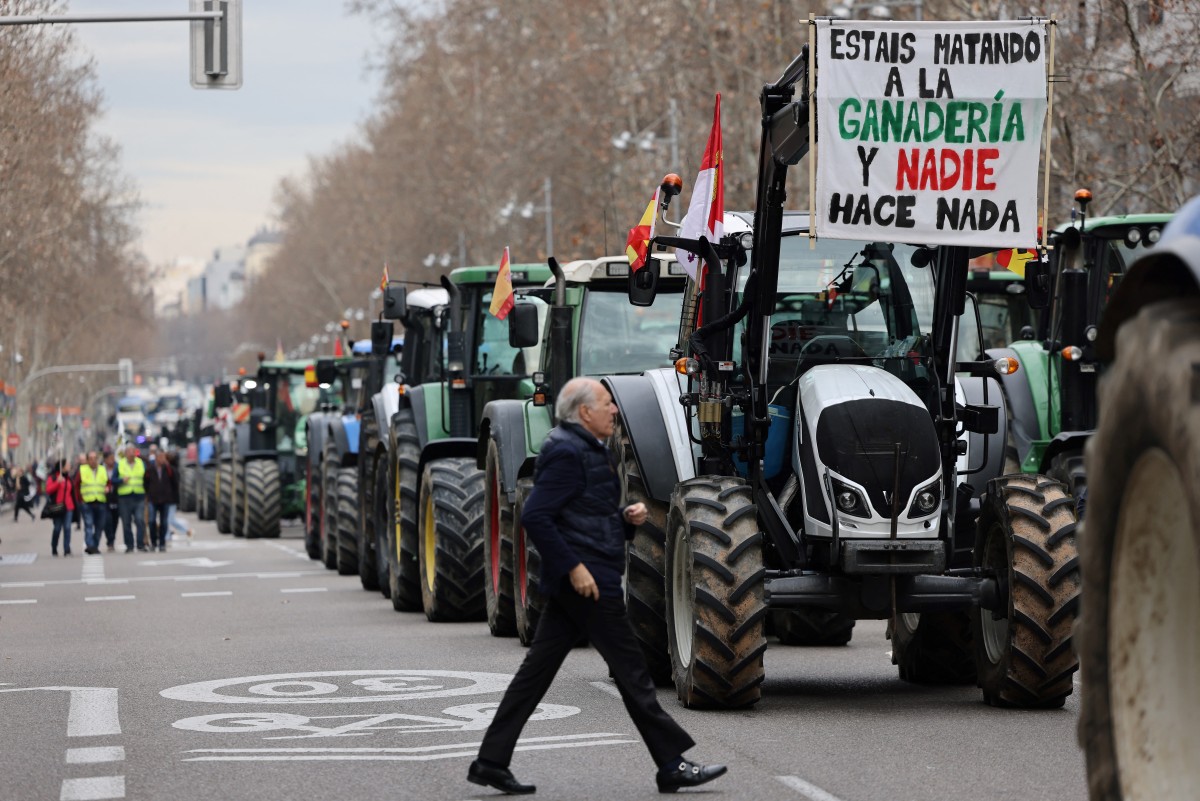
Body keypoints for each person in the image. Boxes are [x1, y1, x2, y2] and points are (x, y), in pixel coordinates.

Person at [468, 378, 726, 796]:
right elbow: (536, 516)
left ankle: (490, 761)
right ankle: (672, 764)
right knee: (634, 677)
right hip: (589, 585)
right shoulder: (567, 451)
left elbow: (580, 514)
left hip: (585, 581)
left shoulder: (584, 449)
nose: (614, 410)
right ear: (585, 412)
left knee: (535, 676)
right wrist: (574, 568)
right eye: (606, 404)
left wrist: (625, 519)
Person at [143, 447, 178, 551]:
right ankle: (154, 543)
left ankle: (162, 543)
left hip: (165, 499)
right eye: (160, 457)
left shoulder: (168, 469)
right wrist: (148, 495)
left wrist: (168, 465)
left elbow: (175, 480)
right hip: (153, 499)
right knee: (152, 521)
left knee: (164, 522)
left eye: (164, 457)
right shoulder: (150, 469)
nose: (162, 459)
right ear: (156, 457)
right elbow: (145, 483)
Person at [116, 445, 147, 552]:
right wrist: (121, 480)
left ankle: (140, 544)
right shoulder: (120, 464)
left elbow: (147, 478)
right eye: (129, 452)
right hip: (125, 498)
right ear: (125, 453)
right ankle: (129, 545)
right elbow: (113, 480)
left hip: (139, 497)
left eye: (133, 451)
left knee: (140, 520)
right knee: (126, 522)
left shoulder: (141, 463)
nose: (131, 454)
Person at [77, 451, 109, 554]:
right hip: (87, 502)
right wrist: (80, 500)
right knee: (89, 525)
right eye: (90, 458)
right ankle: (90, 545)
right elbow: (76, 486)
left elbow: (108, 483)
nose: (93, 460)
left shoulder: (103, 469)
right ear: (87, 460)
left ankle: (95, 545)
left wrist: (108, 488)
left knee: (100, 526)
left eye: (95, 458)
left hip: (100, 501)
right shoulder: (82, 470)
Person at [44, 460, 76, 556]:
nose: (69, 466)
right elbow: (48, 490)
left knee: (67, 528)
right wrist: (57, 482)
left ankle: (67, 548)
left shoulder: (69, 478)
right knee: (57, 528)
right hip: (57, 507)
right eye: (67, 465)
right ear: (62, 467)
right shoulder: (53, 477)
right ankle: (54, 546)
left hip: (69, 507)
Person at [162, 452, 192, 545]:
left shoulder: (172, 470)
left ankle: (186, 530)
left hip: (171, 499)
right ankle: (167, 536)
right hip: (165, 499)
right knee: (166, 519)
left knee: (169, 519)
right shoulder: (166, 469)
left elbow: (174, 485)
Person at [101, 450, 119, 551]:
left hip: (116, 497)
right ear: (105, 460)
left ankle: (112, 539)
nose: (112, 460)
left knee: (115, 521)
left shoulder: (118, 467)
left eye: (113, 458)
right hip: (104, 498)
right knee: (107, 521)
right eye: (110, 458)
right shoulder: (101, 468)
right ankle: (110, 540)